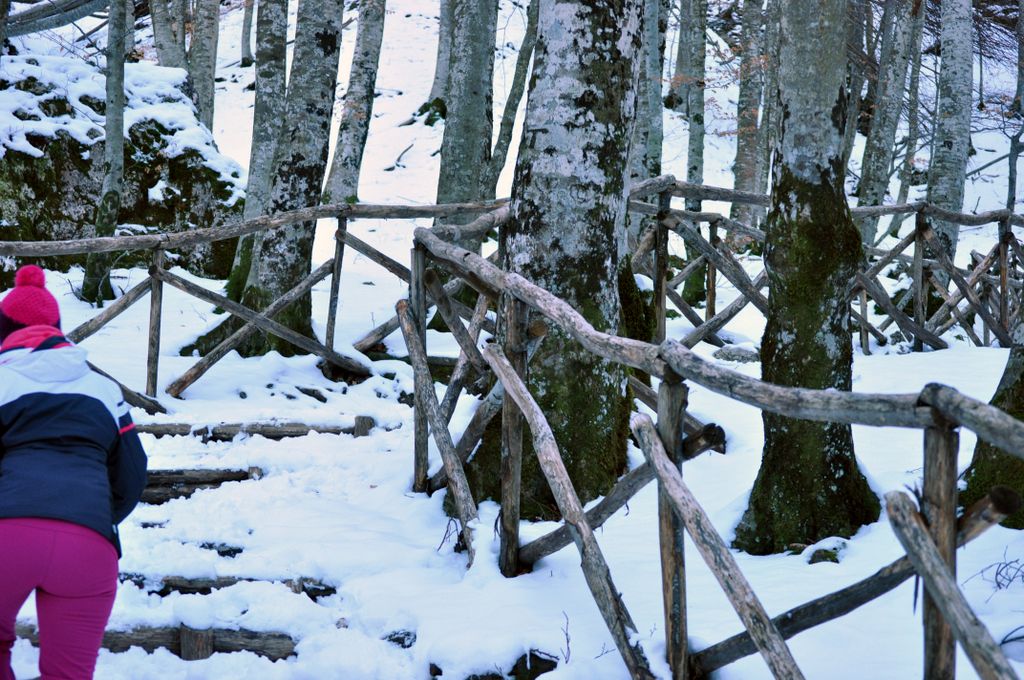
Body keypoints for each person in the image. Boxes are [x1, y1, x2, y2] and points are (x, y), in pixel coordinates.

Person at [0, 265, 148, 680]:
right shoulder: (103, 390)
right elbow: (132, 473)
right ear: (58, 330)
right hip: (88, 545)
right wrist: (94, 518)